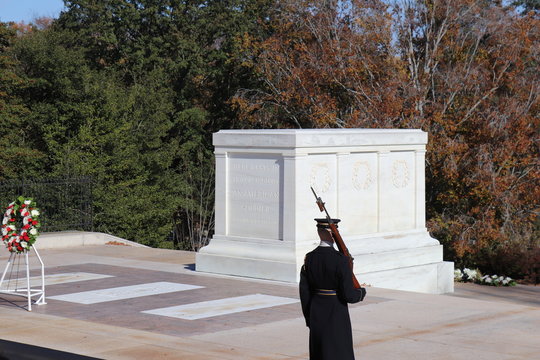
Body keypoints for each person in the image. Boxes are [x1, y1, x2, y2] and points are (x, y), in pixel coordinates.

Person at [299, 218, 366, 360]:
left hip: (316, 312)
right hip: (336, 312)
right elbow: (349, 295)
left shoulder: (309, 258)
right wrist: (361, 293)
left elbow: (304, 293)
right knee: (339, 352)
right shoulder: (340, 260)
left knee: (320, 354)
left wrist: (309, 318)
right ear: (332, 233)